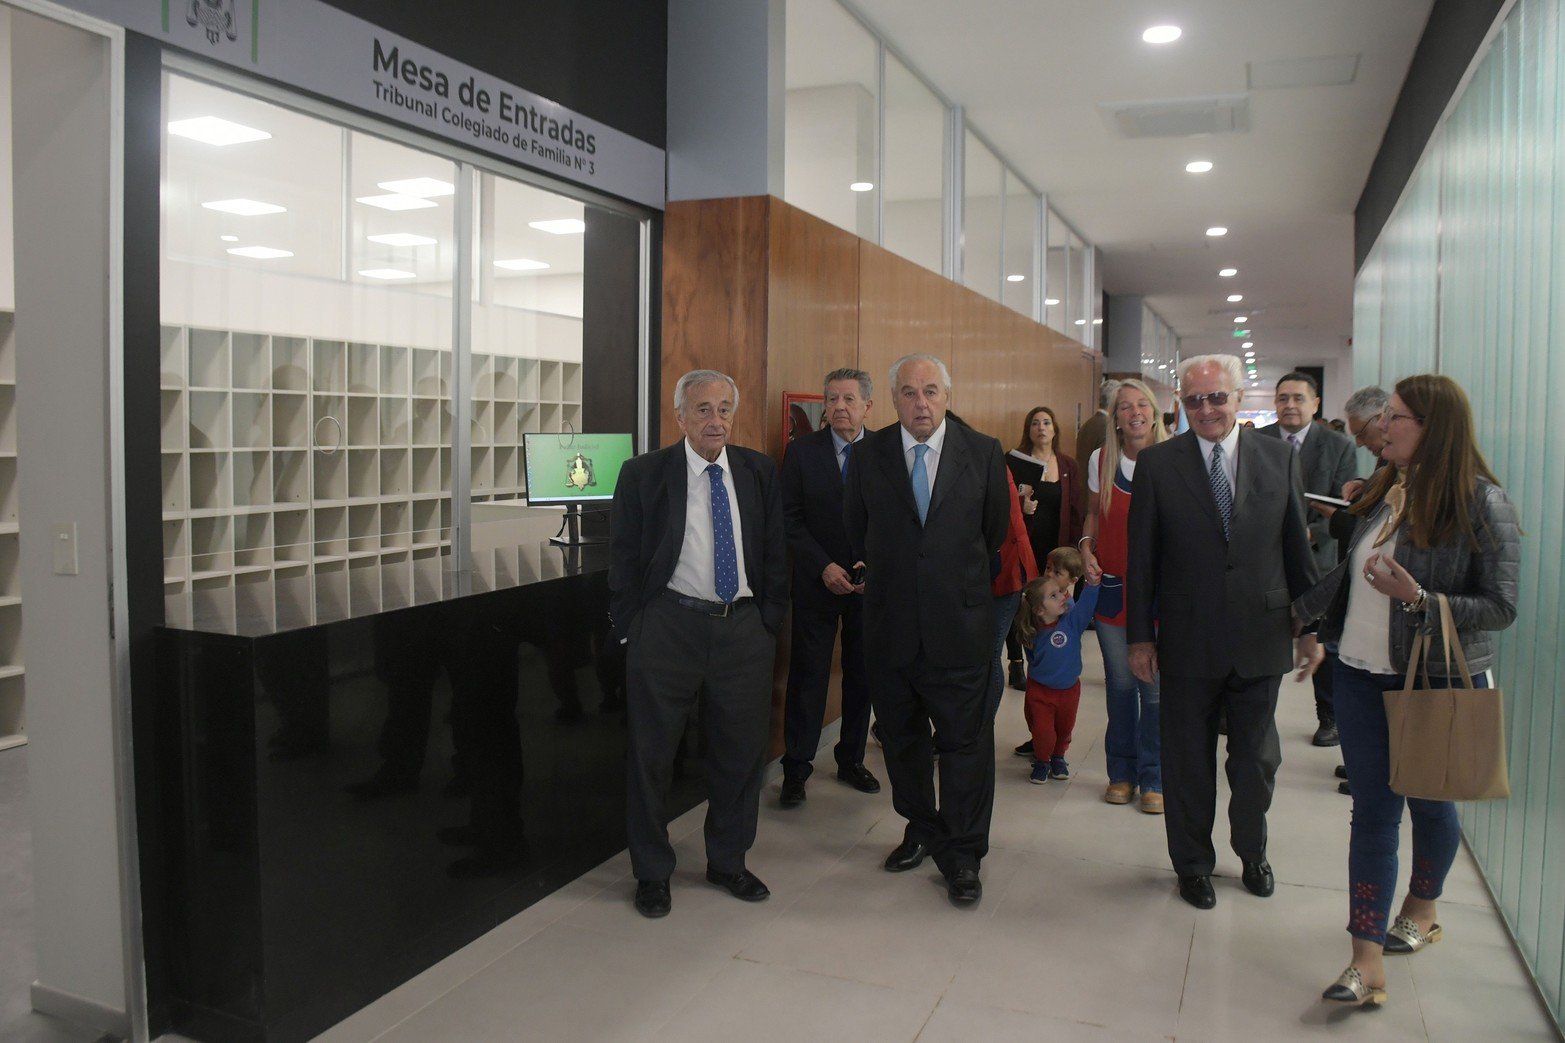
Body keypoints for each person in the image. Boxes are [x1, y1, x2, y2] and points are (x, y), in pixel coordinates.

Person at [1293, 374, 1520, 1008]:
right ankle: (1366, 958)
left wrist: (1420, 598)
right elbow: (1350, 571)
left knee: (1428, 800)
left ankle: (1422, 908)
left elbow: (1500, 606)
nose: (1381, 429)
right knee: (1373, 813)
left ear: (1432, 428)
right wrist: (1312, 623)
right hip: (1361, 672)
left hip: (1433, 678)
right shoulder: (1388, 487)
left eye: (1395, 419)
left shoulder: (1483, 500)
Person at [1126, 354, 1320, 911]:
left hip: (1262, 634)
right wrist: (1141, 636)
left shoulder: (1278, 458)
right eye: (1194, 400)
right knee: (1187, 760)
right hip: (1187, 640)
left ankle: (1252, 851)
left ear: (1238, 398)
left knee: (1256, 761)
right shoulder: (1160, 465)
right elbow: (1143, 560)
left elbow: (1295, 549)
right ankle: (1192, 863)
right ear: (1182, 405)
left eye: (1217, 398)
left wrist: (1309, 626)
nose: (1206, 409)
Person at [608, 369, 788, 918]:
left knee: (740, 754)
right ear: (680, 416)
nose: (716, 420)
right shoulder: (644, 474)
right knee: (652, 756)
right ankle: (652, 871)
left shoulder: (758, 471)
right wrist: (631, 627)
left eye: (725, 408)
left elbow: (776, 550)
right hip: (668, 628)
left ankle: (727, 860)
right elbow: (623, 555)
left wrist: (769, 623)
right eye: (704, 409)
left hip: (742, 632)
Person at [844, 353, 1009, 906]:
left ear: (947, 396)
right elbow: (856, 527)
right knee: (903, 744)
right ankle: (922, 828)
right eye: (910, 392)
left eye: (931, 391)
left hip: (959, 630)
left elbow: (992, 535)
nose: (921, 403)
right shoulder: (867, 456)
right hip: (890, 630)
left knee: (965, 747)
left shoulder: (983, 453)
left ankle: (964, 856)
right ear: (892, 400)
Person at [778, 368, 879, 807]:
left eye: (849, 400)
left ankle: (851, 759)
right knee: (808, 678)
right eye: (832, 399)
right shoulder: (801, 452)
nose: (839, 407)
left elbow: (896, 520)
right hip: (817, 583)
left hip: (867, 586)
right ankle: (796, 769)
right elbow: (789, 519)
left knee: (862, 677)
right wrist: (823, 566)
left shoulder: (885, 452)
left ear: (867, 406)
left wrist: (871, 564)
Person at [1080, 379, 1168, 814]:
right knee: (1119, 686)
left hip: (1158, 594)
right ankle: (1121, 772)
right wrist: (1084, 546)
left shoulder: (1174, 459)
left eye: (1142, 405)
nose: (1134, 413)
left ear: (1155, 412)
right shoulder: (1102, 459)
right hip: (1114, 588)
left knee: (1152, 689)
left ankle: (1154, 776)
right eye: (1125, 407)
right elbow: (1094, 515)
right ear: (1114, 418)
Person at [1258, 372, 1358, 747]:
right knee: (1258, 631)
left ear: (1315, 404)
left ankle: (1328, 715)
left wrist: (1308, 533)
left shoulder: (1338, 446)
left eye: (1299, 398)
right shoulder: (1257, 441)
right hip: (1265, 558)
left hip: (1318, 557)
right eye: (1283, 398)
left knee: (1322, 640)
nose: (1290, 405)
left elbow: (1345, 510)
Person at [1004, 406, 1082, 688]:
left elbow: (1075, 510)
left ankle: (1048, 658)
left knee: (1053, 606)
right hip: (1026, 545)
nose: (1041, 427)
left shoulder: (1068, 465)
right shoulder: (1017, 462)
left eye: (1046, 422)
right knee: (1022, 604)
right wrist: (1024, 509)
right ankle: (1016, 662)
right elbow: (1006, 505)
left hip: (1056, 550)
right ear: (1029, 429)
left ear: (1054, 429)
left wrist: (1074, 551)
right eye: (1035, 423)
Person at [1014, 558, 1102, 785]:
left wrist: (1092, 585)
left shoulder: (1071, 622)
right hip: (1040, 692)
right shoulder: (1031, 631)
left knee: (1064, 729)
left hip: (1069, 691)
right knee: (1043, 730)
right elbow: (1032, 659)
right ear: (1040, 610)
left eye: (1061, 592)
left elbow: (1085, 607)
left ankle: (1058, 757)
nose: (1063, 596)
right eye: (1054, 596)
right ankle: (1042, 760)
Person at [1012, 545, 1083, 760]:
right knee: (1034, 714)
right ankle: (1039, 740)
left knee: (1059, 719)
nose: (1050, 574)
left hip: (1060, 680)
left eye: (1057, 572)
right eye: (1048, 568)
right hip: (1038, 674)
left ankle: (1052, 750)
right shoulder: (1037, 597)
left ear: (1072, 580)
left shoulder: (1068, 609)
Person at [1074, 378, 1120, 503]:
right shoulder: (1108, 428)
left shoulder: (1087, 424)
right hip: (1097, 498)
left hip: (1083, 493)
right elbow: (1106, 467)